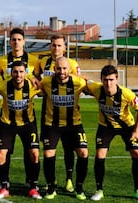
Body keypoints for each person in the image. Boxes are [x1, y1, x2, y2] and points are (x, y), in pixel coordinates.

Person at [87, 65, 138, 201]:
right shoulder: (96, 89)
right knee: (100, 154)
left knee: (137, 153)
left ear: (117, 79)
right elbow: (84, 80)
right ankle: (99, 190)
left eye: (111, 80)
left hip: (127, 127)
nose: (108, 83)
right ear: (101, 80)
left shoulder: (127, 94)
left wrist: (137, 131)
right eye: (105, 80)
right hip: (105, 127)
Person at [35, 33, 81, 193]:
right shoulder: (42, 62)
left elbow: (78, 84)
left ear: (65, 47)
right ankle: (51, 180)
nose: (56, 48)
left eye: (59, 45)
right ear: (50, 46)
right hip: (49, 110)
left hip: (68, 111)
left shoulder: (72, 63)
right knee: (48, 148)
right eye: (54, 45)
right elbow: (36, 80)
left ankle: (69, 179)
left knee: (69, 148)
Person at [0, 27, 40, 187]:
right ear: (10, 42)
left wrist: (34, 78)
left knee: (31, 152)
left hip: (27, 114)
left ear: (24, 41)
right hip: (7, 113)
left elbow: (41, 80)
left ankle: (31, 182)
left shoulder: (35, 61)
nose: (16, 42)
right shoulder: (1, 61)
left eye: (19, 39)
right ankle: (4, 183)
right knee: (4, 151)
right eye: (13, 39)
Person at [40, 56, 88, 200]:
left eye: (65, 68)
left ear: (70, 69)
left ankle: (79, 188)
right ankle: (51, 187)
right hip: (52, 125)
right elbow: (34, 84)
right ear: (54, 69)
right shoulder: (46, 82)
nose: (62, 71)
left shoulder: (79, 82)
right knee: (48, 154)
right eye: (59, 68)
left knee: (83, 153)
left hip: (73, 125)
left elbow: (95, 89)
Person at [0, 60, 42, 199]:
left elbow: (47, 88)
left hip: (28, 124)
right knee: (1, 153)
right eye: (15, 71)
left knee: (34, 153)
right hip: (7, 123)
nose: (18, 74)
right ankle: (4, 186)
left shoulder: (33, 85)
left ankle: (33, 187)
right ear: (11, 73)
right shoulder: (3, 85)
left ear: (25, 73)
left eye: (21, 72)